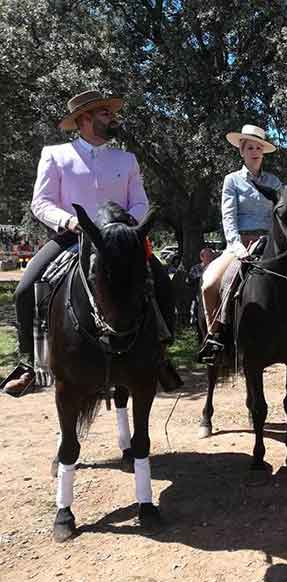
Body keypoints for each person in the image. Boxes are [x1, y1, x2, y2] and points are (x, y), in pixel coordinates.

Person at [4, 90, 177, 395]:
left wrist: (123, 226)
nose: (113, 118)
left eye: (111, 113)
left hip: (120, 242)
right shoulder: (55, 155)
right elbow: (40, 202)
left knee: (162, 282)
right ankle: (29, 364)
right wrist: (69, 221)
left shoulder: (127, 159)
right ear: (84, 119)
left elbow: (140, 202)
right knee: (24, 289)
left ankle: (160, 357)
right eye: (105, 114)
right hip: (73, 237)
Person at [197, 125, 282, 362]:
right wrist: (236, 245)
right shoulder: (231, 181)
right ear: (242, 152)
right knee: (210, 284)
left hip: (270, 242)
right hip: (240, 243)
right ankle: (214, 336)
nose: (255, 152)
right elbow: (228, 216)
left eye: (259, 148)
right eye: (250, 148)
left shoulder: (275, 182)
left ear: (263, 153)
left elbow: (281, 215)